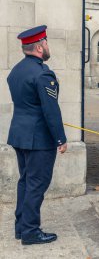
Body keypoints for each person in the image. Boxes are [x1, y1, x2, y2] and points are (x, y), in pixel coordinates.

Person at [7, 25, 67, 245]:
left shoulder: (16, 71)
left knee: (25, 182)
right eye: (47, 43)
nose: (48, 46)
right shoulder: (43, 73)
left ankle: (21, 227)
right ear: (40, 46)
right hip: (38, 139)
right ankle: (31, 231)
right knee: (36, 184)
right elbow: (50, 110)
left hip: (19, 135)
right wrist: (61, 138)